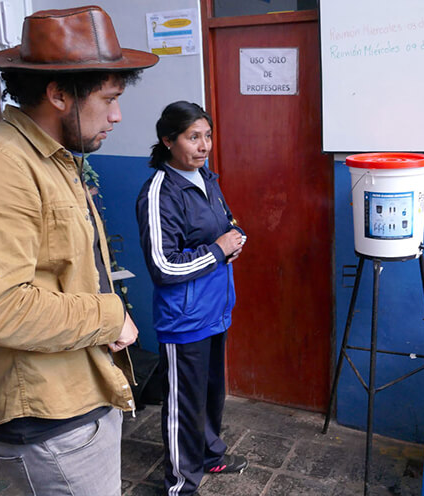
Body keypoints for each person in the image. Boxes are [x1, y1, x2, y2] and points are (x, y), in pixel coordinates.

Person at [0, 6, 158, 495]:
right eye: (109, 98)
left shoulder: (54, 158)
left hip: (76, 390)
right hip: (51, 416)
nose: (117, 115)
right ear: (59, 93)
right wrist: (110, 316)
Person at [136, 101, 248, 495]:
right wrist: (218, 250)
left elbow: (227, 224)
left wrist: (236, 240)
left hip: (215, 309)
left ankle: (209, 455)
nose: (204, 146)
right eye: (193, 137)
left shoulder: (207, 179)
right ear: (168, 140)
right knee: (183, 403)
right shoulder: (159, 192)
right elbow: (163, 267)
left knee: (211, 394)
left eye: (207, 136)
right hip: (183, 318)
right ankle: (180, 484)